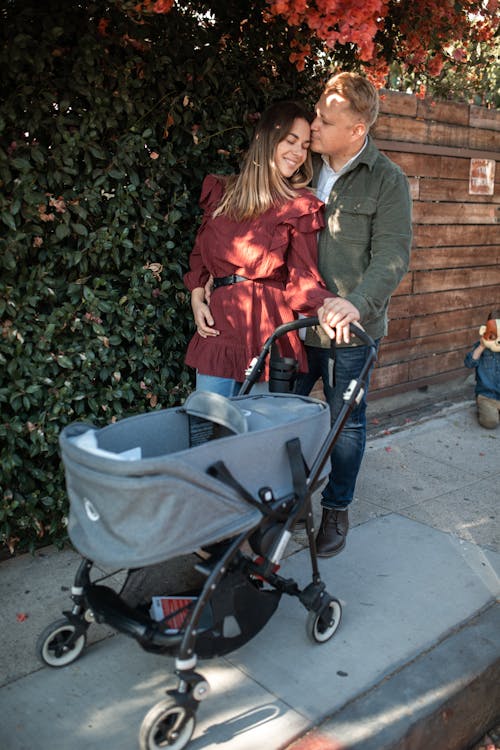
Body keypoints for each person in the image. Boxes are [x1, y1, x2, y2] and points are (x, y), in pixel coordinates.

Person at [295, 71, 413, 557]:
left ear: (357, 128)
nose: (314, 125)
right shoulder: (300, 169)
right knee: (281, 417)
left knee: (345, 420)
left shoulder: (387, 180)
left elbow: (391, 256)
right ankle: (287, 502)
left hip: (352, 331)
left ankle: (337, 508)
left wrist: (355, 303)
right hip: (297, 323)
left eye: (325, 118)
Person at [183, 100, 346, 396]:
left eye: (305, 146)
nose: (298, 153)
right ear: (265, 138)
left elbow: (302, 281)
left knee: (258, 434)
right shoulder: (221, 193)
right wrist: (196, 295)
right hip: (218, 330)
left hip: (269, 335)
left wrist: (332, 307)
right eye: (291, 141)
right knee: (208, 430)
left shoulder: (298, 205)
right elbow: (200, 259)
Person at [464, 310, 500, 429]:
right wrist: (481, 346)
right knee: (490, 423)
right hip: (487, 395)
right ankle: (484, 408)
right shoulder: (481, 347)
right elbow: (469, 363)